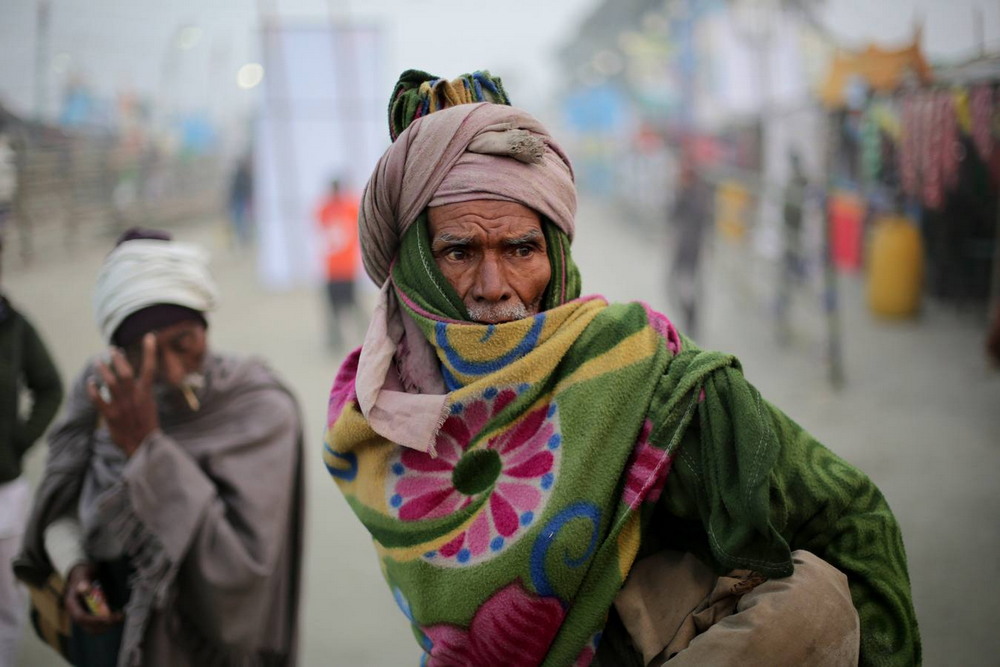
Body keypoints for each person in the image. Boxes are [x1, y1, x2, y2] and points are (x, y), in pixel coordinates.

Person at [322, 70, 920, 666]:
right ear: (420, 270)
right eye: (459, 252)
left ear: (554, 256)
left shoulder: (638, 368)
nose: (493, 286)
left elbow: (845, 516)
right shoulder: (377, 416)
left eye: (521, 250)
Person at [14, 228, 305, 666]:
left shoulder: (258, 407)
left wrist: (145, 447)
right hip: (114, 636)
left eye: (184, 343)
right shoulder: (98, 393)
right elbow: (59, 508)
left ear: (205, 326)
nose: (169, 372)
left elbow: (245, 572)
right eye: (141, 352)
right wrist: (75, 566)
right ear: (116, 350)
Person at [0, 238, 64, 664]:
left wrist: (18, 439)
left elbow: (50, 386)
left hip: (4, 492)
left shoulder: (12, 323)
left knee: (7, 609)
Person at [667, 156, 713, 339]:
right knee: (678, 286)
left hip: (690, 248)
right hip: (685, 246)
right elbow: (672, 215)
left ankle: (691, 323)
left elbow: (700, 222)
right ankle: (690, 322)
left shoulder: (695, 196)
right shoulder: (688, 194)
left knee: (684, 287)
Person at [314, 178, 361, 349]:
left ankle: (364, 335)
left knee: (352, 305)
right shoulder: (331, 208)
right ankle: (335, 340)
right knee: (337, 308)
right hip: (335, 268)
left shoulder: (347, 206)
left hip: (344, 268)